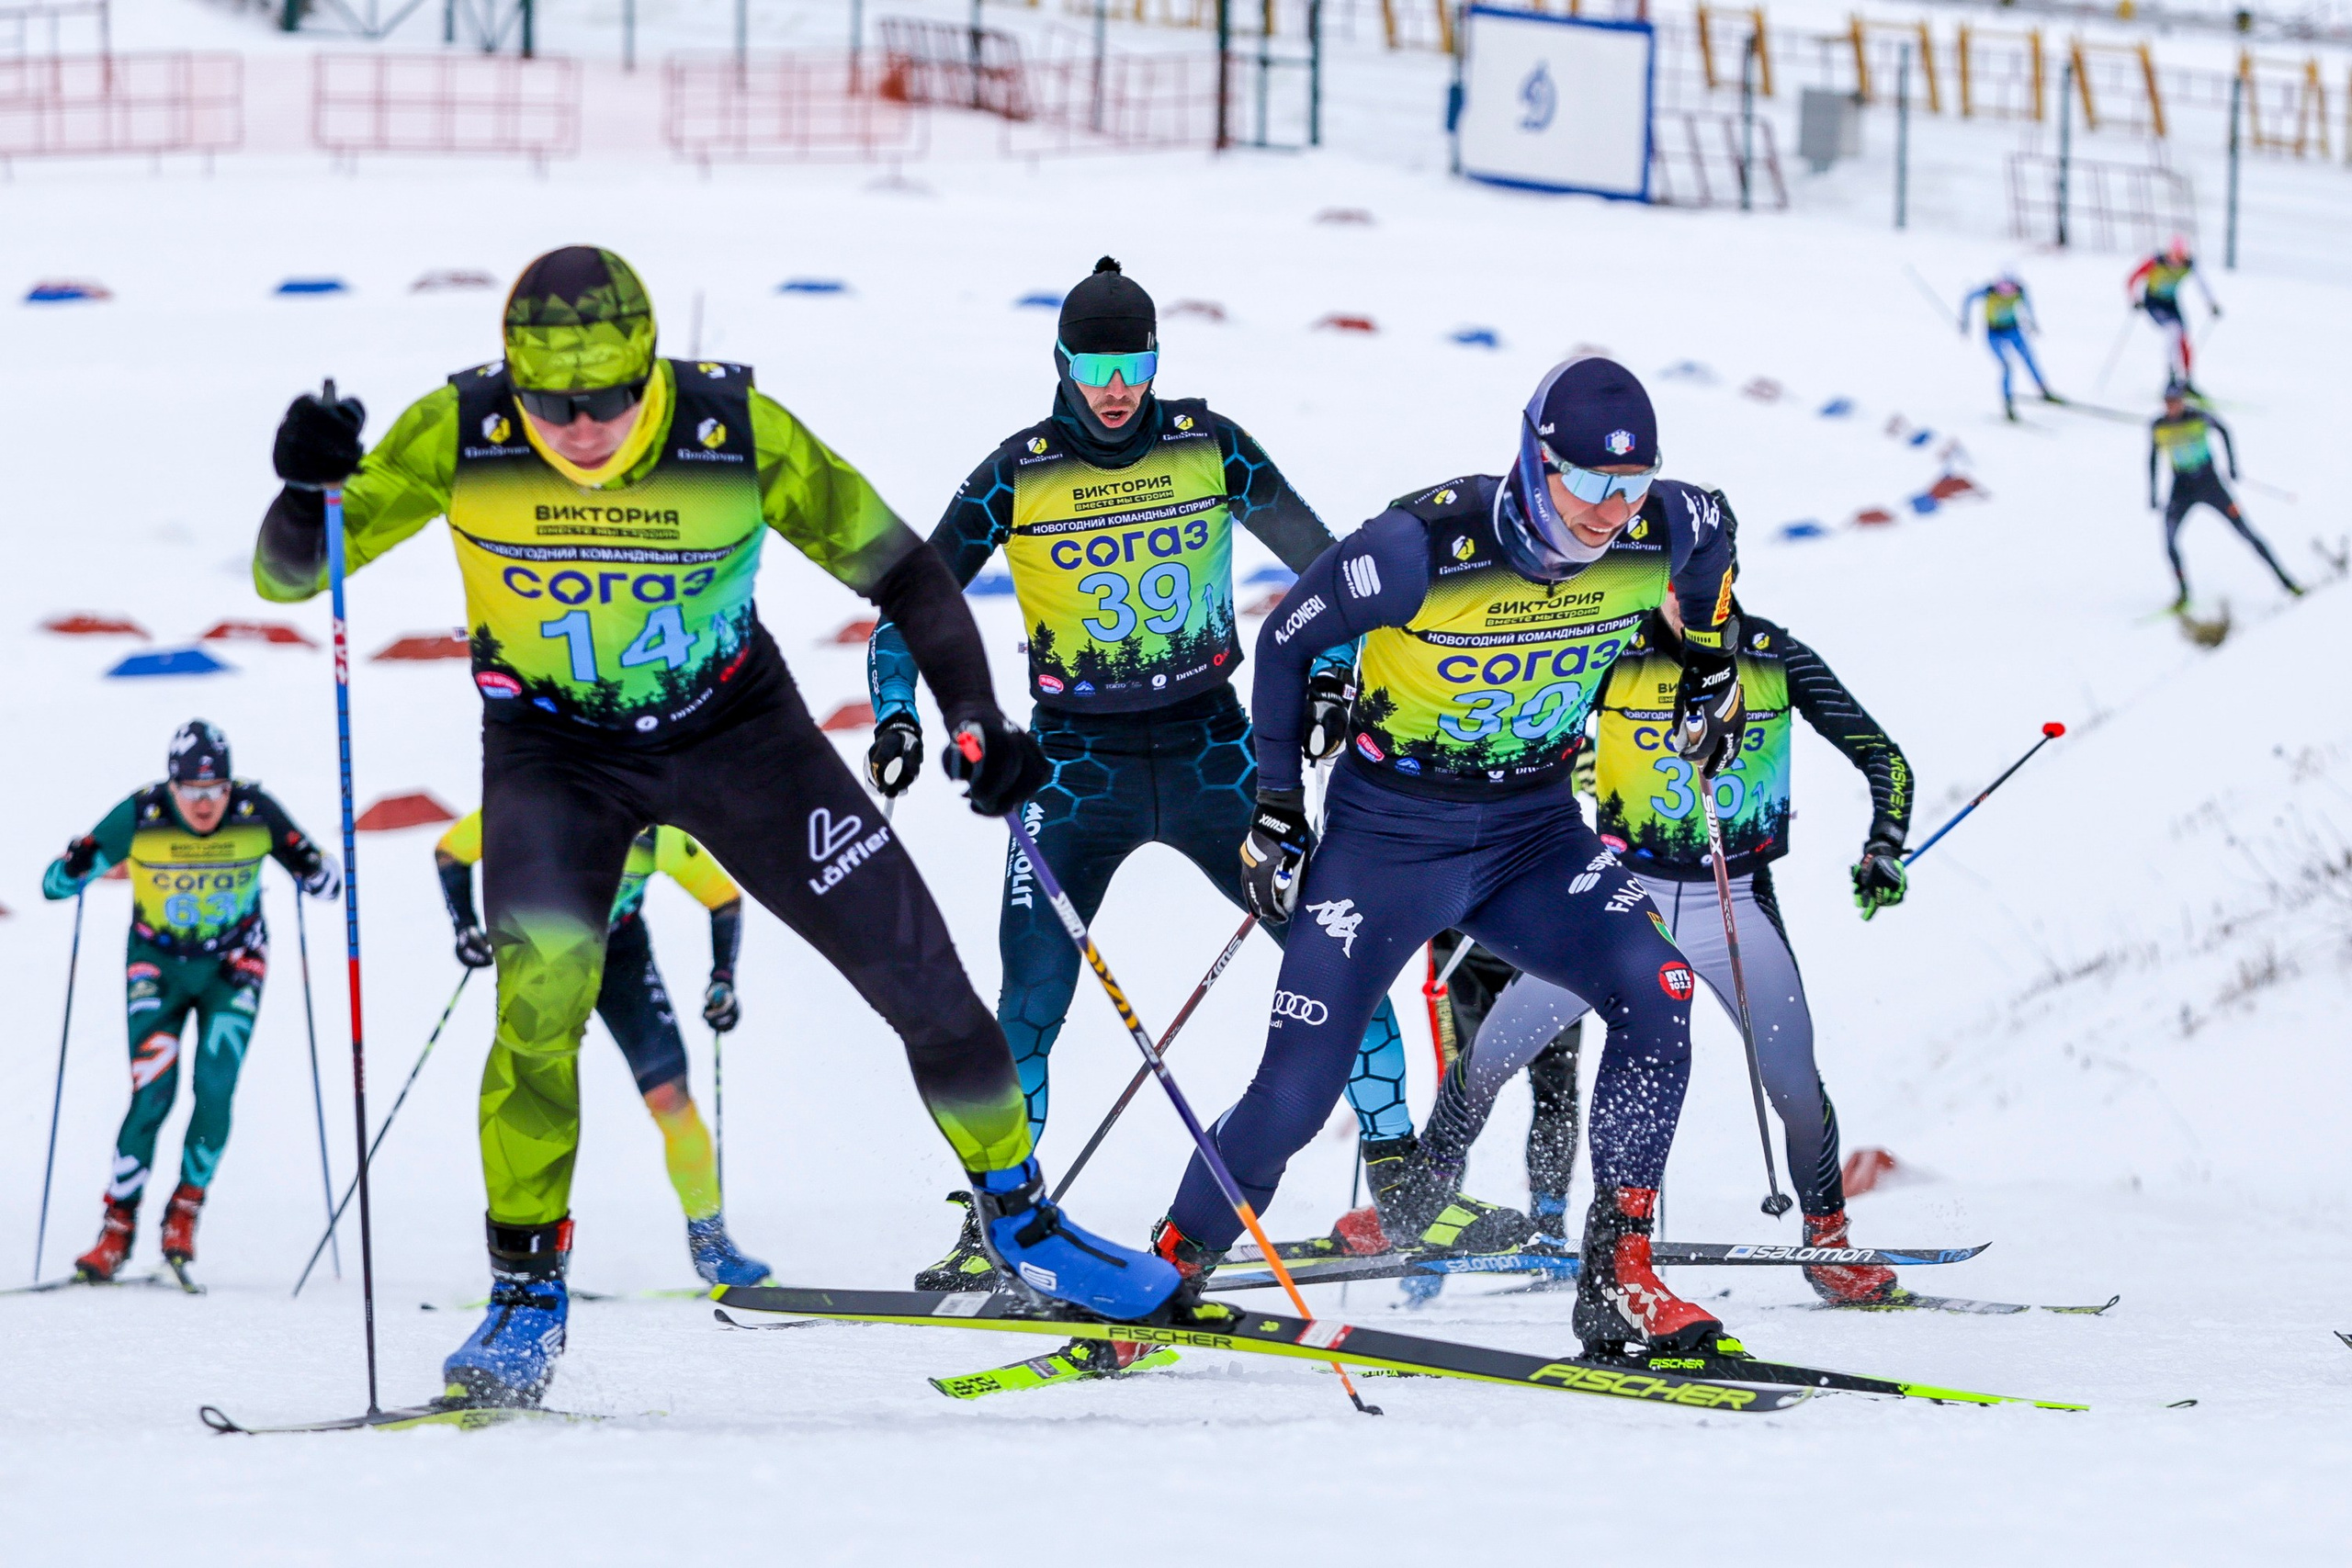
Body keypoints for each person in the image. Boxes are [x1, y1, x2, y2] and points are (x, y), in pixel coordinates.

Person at [253, 245, 1177, 1408]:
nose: (579, 428)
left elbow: (911, 576)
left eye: (608, 400)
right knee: (539, 1008)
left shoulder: (734, 432)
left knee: (924, 979)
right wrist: (307, 490)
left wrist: (976, 719)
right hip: (555, 755)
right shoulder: (464, 431)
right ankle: (525, 1294)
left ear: (651, 370)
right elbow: (295, 575)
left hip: (739, 736)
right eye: (552, 404)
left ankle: (1024, 1223)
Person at [1148, 356, 1749, 1356]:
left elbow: (1712, 560)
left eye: (1632, 485)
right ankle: (1170, 1267)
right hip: (1390, 838)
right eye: (1591, 484)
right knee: (1295, 1090)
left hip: (1534, 836)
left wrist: (1709, 668)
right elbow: (1288, 642)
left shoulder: (1666, 525)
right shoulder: (1419, 547)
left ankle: (1619, 1276)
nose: (1611, 511)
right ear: (1535, 459)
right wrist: (1276, 812)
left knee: (1661, 987)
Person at [864, 256, 1418, 1289]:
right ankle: (999, 1212)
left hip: (1213, 748)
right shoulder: (1015, 471)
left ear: (1156, 358)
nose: (1117, 387)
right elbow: (915, 604)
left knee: (1333, 947)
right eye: (1096, 365)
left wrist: (1336, 673)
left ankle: (1402, 1175)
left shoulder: (1209, 446)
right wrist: (899, 711)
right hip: (1074, 769)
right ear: (1063, 362)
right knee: (1028, 996)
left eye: (1135, 362)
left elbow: (1334, 568)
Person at [1402, 591, 1917, 1304]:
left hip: (1730, 899)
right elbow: (1510, 732)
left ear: (1727, 573)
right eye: (1670, 580)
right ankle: (1415, 1204)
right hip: (1616, 900)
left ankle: (1827, 1239)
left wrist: (1884, 849)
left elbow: (1883, 757)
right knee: (1491, 1053)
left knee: (1795, 1086)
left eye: (1699, 577)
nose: (1682, 597)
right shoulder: (1613, 653)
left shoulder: (1773, 658)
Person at [40, 721, 339, 1282]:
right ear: (172, 786)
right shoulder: (143, 813)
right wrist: (76, 865)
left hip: (234, 966)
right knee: (152, 1093)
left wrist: (317, 869)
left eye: (217, 790)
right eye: (193, 792)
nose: (206, 804)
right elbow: (55, 886)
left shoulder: (256, 811)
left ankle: (183, 1213)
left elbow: (325, 884)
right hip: (157, 966)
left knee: (216, 1085)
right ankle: (117, 1227)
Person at [435, 810, 771, 1286]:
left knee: (671, 1098)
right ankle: (527, 1266)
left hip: (620, 954)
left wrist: (723, 982)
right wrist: (465, 925)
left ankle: (711, 1243)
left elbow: (724, 900)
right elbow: (451, 850)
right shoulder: (538, 806)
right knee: (535, 1100)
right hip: (548, 953)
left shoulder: (660, 838)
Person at [2149, 381, 2299, 611]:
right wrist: (2152, 492)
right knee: (2169, 541)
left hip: (2210, 484)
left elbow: (2224, 430)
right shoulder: (2158, 426)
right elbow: (2152, 458)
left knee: (2247, 533)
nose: (2172, 406)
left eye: (2175, 401)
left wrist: (2232, 466)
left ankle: (2286, 581)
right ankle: (2183, 593)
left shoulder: (2198, 416)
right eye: (2168, 402)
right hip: (2181, 488)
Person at [1959, 275, 2054, 421]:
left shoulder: (2020, 291)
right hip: (1994, 334)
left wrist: (2033, 323)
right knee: (2007, 366)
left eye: (2011, 286)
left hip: (2013, 330)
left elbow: (2028, 306)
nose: (2007, 291)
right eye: (2003, 287)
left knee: (2029, 358)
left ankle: (2044, 391)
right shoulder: (1988, 291)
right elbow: (1968, 297)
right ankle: (2008, 405)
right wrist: (1965, 322)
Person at [2127, 238, 2220, 383]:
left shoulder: (2189, 264)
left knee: (2183, 339)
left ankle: (2187, 380)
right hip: (2153, 302)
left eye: (2181, 257)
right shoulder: (2156, 261)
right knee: (2173, 331)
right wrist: (2135, 299)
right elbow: (2132, 278)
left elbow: (2203, 284)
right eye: (2175, 256)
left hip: (2171, 302)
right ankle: (2171, 377)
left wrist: (2212, 303)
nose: (2177, 262)